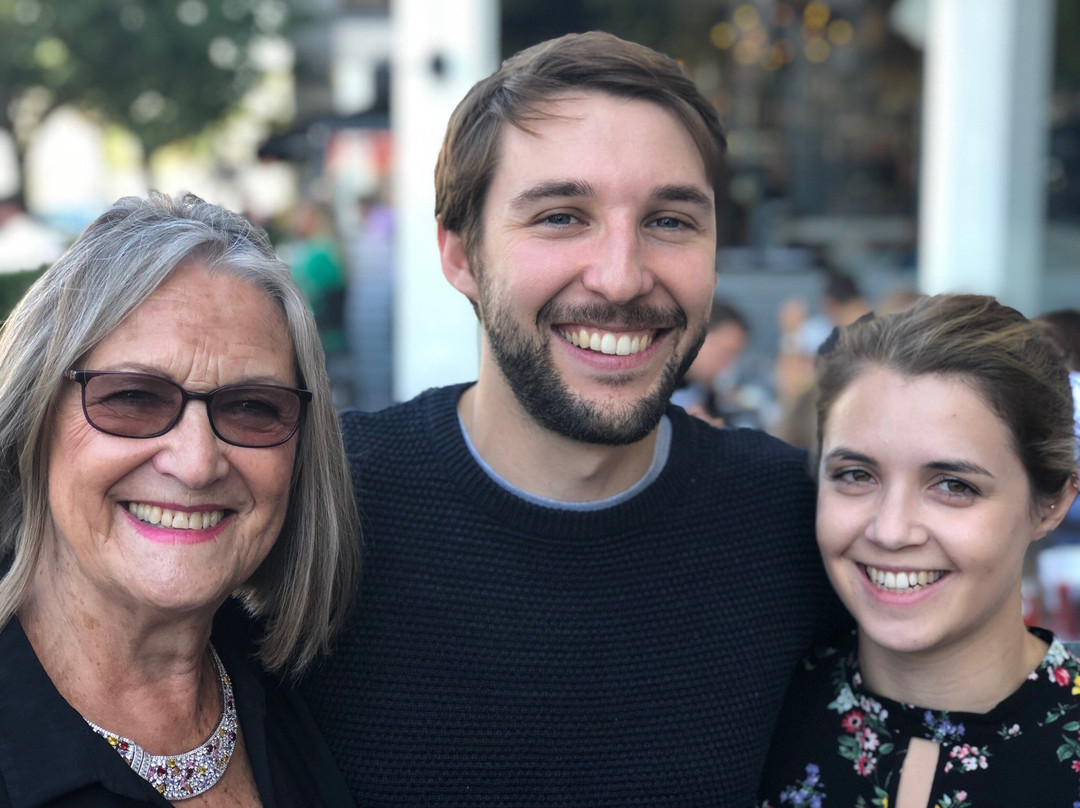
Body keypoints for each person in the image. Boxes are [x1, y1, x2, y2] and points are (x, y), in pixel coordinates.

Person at [301, 31, 846, 806]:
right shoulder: (317, 506)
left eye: (670, 221)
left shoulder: (802, 522)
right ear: (459, 254)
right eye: (561, 216)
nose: (621, 278)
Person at [0, 192, 360, 806]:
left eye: (252, 408)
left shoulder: (317, 698)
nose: (196, 465)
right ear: (35, 422)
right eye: (133, 398)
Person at [758, 294, 1080, 808]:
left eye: (953, 485)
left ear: (1053, 503)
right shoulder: (747, 718)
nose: (890, 531)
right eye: (856, 475)